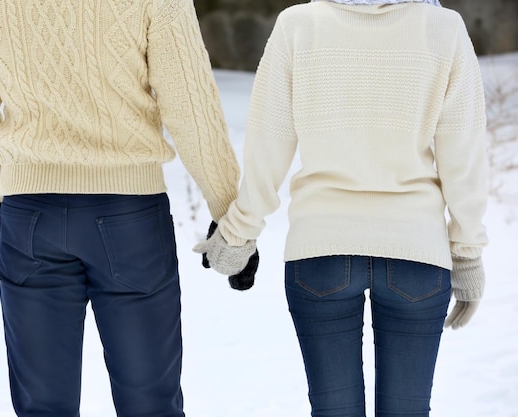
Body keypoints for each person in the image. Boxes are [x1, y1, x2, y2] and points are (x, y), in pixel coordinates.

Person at [0, 0, 250, 415]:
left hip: (31, 216)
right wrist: (229, 214)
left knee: (42, 407)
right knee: (150, 405)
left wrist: (5, 192)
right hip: (130, 218)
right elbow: (189, 105)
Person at [194, 0, 488, 416]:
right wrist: (467, 252)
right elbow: (465, 155)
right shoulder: (444, 28)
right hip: (415, 255)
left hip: (320, 252)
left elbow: (268, 142)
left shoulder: (298, 24)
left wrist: (239, 231)